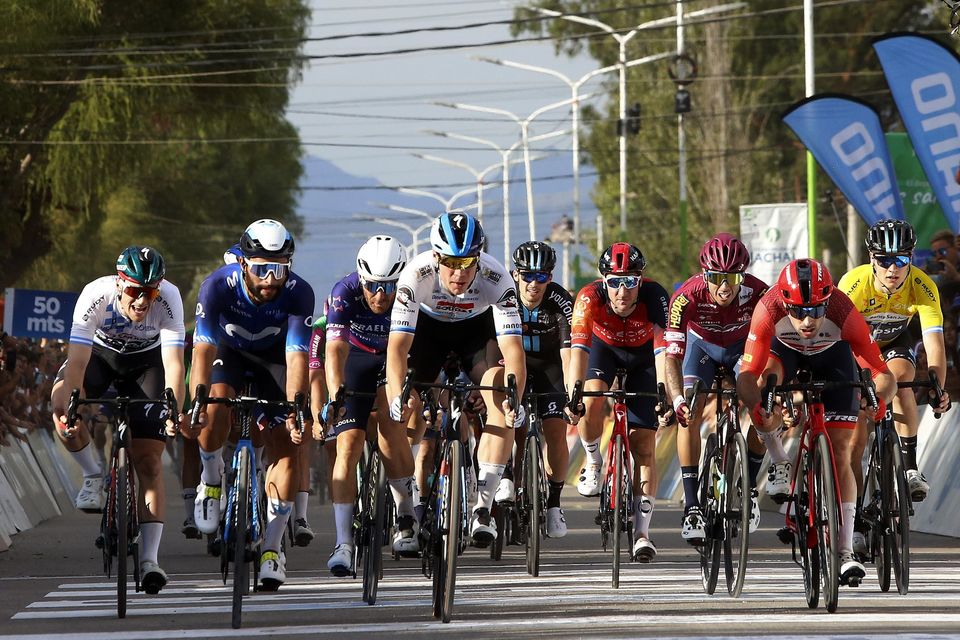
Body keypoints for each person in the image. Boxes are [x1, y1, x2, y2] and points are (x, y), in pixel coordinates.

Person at [736, 258, 897, 584]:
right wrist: (757, 407)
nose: (808, 320)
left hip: (834, 357)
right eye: (797, 311)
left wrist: (878, 401)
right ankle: (781, 459)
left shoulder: (842, 309)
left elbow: (883, 374)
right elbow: (746, 375)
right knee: (768, 379)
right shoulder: (767, 309)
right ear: (784, 303)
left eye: (816, 310)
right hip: (786, 355)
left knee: (840, 453)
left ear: (827, 301)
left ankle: (844, 551)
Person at [50, 246, 185, 594]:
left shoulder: (169, 298)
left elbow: (174, 366)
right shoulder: (96, 295)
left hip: (146, 363)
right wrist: (73, 408)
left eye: (150, 292)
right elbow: (77, 364)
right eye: (135, 291)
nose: (143, 301)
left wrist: (174, 409)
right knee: (61, 404)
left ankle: (150, 560)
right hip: (99, 355)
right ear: (119, 284)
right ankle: (93, 476)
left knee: (150, 461)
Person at [386, 211, 525, 547]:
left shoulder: (497, 278)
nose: (459, 272)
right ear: (435, 257)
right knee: (409, 401)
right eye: (450, 261)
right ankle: (406, 510)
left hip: (475, 333)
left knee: (499, 391)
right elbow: (396, 350)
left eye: (467, 263)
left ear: (479, 258)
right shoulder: (415, 276)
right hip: (428, 333)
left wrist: (514, 398)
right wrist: (397, 396)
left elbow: (514, 352)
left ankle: (483, 507)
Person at [190, 219, 314, 591]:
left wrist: (295, 407)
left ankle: (272, 550)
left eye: (279, 269)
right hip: (228, 354)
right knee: (213, 413)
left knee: (287, 449)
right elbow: (203, 350)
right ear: (243, 264)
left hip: (275, 360)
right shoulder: (217, 286)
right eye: (262, 269)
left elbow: (296, 359)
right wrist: (198, 396)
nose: (271, 280)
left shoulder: (298, 293)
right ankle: (211, 481)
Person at [564, 242, 670, 562]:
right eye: (613, 282)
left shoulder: (655, 296)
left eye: (629, 282)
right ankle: (594, 460)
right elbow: (578, 351)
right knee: (592, 399)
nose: (621, 292)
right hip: (603, 351)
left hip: (644, 359)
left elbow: (665, 351)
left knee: (644, 447)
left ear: (640, 280)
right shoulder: (588, 297)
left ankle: (642, 534)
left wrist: (664, 393)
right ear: (603, 281)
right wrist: (574, 395)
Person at [837, 220, 951, 510]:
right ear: (871, 259)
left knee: (900, 383)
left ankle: (910, 467)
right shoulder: (853, 284)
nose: (892, 268)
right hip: (856, 351)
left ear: (910, 258)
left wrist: (938, 388)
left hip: (895, 345)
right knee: (853, 444)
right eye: (884, 259)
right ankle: (857, 516)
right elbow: (839, 344)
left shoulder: (922, 285)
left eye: (900, 259)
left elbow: (934, 344)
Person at [663, 233, 768, 543]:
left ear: (743, 274)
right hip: (702, 349)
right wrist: (678, 398)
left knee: (763, 407)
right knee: (690, 411)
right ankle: (693, 505)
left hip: (741, 348)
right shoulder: (686, 296)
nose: (725, 286)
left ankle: (747, 487)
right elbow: (672, 356)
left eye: (733, 276)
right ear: (704, 274)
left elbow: (774, 345)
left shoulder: (760, 292)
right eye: (716, 277)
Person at [320, 236, 407, 576]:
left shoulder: (409, 292)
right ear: (361, 278)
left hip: (394, 358)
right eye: (373, 286)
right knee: (348, 445)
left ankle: (405, 515)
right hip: (356, 358)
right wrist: (336, 392)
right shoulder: (344, 291)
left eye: (389, 287)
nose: (381, 296)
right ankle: (342, 543)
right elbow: (335, 350)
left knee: (393, 423)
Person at [510, 241, 573, 538]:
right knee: (514, 428)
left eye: (542, 277)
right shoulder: (505, 299)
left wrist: (574, 394)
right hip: (516, 363)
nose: (534, 284)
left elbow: (568, 355)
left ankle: (553, 503)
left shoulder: (560, 301)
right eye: (527, 276)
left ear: (550, 277)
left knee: (556, 431)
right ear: (515, 274)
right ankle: (509, 478)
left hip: (551, 368)